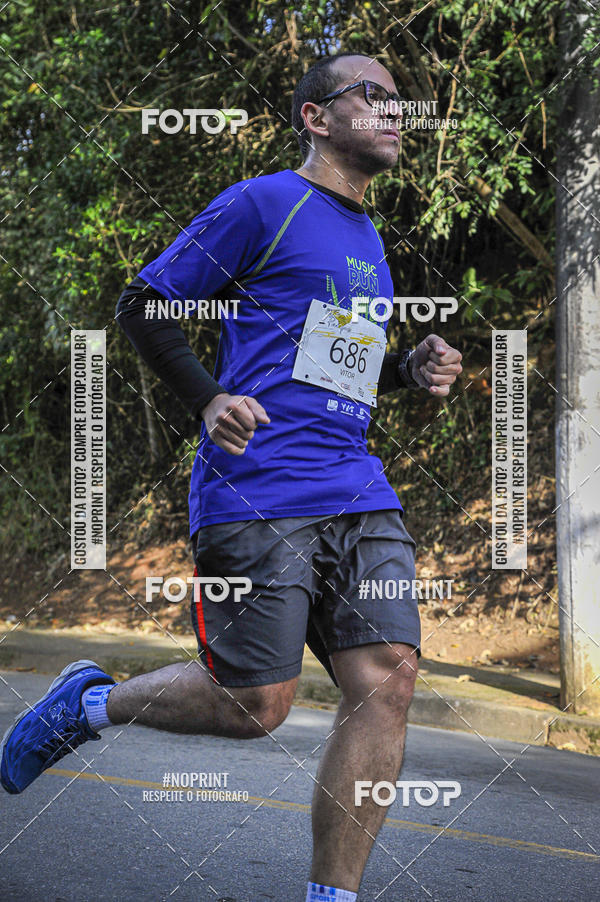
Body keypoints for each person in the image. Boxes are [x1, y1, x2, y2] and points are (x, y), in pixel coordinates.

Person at [1, 52, 462, 901]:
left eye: (402, 102)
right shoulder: (264, 204)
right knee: (256, 704)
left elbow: (334, 366)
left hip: (358, 488)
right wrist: (210, 400)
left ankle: (334, 897)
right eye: (373, 95)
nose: (397, 112)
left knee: (387, 680)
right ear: (316, 119)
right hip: (260, 489)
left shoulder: (368, 236)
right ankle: (87, 706)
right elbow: (145, 304)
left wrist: (407, 369)